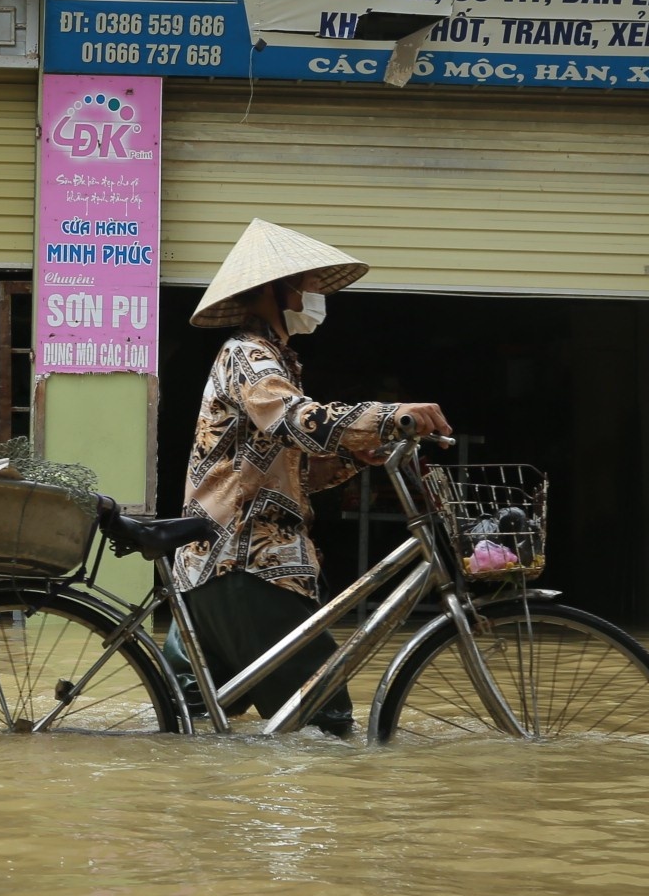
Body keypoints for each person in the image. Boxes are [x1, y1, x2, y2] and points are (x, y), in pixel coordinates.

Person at [173, 219, 452, 736]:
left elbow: (283, 470)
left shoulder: (273, 359)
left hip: (209, 566)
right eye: (307, 283)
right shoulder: (249, 356)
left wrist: (353, 457)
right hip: (248, 566)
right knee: (324, 721)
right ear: (273, 291)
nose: (316, 295)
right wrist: (391, 415)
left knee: (186, 722)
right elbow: (291, 419)